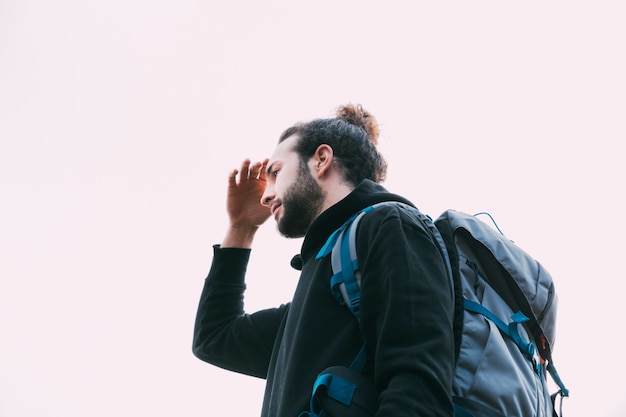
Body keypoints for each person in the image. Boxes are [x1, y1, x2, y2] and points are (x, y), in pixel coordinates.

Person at [192, 104, 455, 416]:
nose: (266, 194)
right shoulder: (320, 291)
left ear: (321, 160)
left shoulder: (388, 225)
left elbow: (417, 386)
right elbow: (215, 337)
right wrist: (241, 228)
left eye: (276, 172)